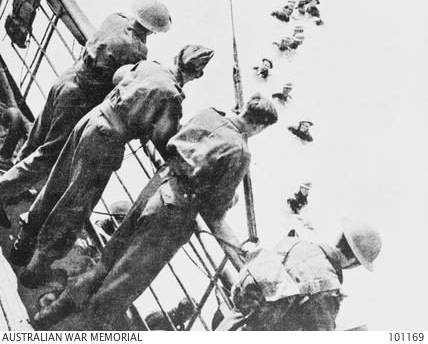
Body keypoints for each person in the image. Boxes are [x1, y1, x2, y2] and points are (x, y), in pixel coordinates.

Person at [33, 93, 278, 329]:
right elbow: (216, 207)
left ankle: (47, 316)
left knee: (105, 263)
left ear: (245, 107)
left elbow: (176, 141)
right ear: (260, 126)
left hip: (158, 185)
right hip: (174, 213)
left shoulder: (210, 114)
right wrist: (230, 199)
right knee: (123, 284)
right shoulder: (241, 152)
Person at [12, 45, 214, 286]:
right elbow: (166, 140)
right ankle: (36, 269)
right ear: (198, 75)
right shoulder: (172, 96)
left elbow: (119, 76)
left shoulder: (150, 66)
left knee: (57, 182)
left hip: (92, 120)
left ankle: (22, 245)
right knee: (75, 204)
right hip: (106, 141)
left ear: (176, 56)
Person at [0, 0, 171, 230]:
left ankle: (9, 187)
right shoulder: (137, 51)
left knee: (36, 138)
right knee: (48, 155)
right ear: (153, 30)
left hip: (67, 79)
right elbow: (122, 83)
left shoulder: (115, 17)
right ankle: (3, 189)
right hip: (79, 100)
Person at [216, 218, 382, 330]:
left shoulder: (297, 242)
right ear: (354, 262)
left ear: (340, 237)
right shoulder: (329, 287)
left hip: (236, 314)